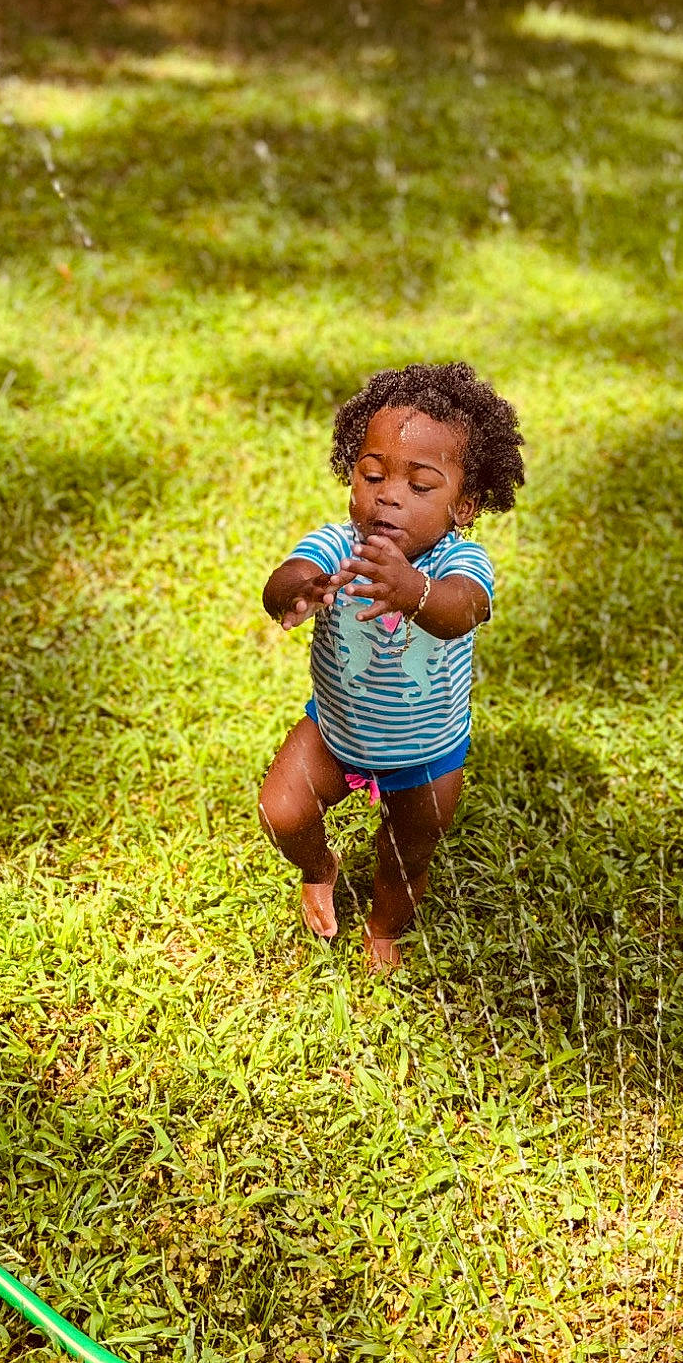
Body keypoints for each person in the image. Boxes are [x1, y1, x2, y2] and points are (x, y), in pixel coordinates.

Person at [258, 361, 525, 968]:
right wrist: (299, 588)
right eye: (372, 474)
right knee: (283, 811)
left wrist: (412, 591)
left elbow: (463, 609)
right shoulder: (337, 544)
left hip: (427, 752)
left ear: (465, 504)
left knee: (407, 854)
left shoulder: (463, 558)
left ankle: (383, 930)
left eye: (421, 486)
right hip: (334, 734)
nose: (390, 495)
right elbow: (284, 579)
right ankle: (320, 866)